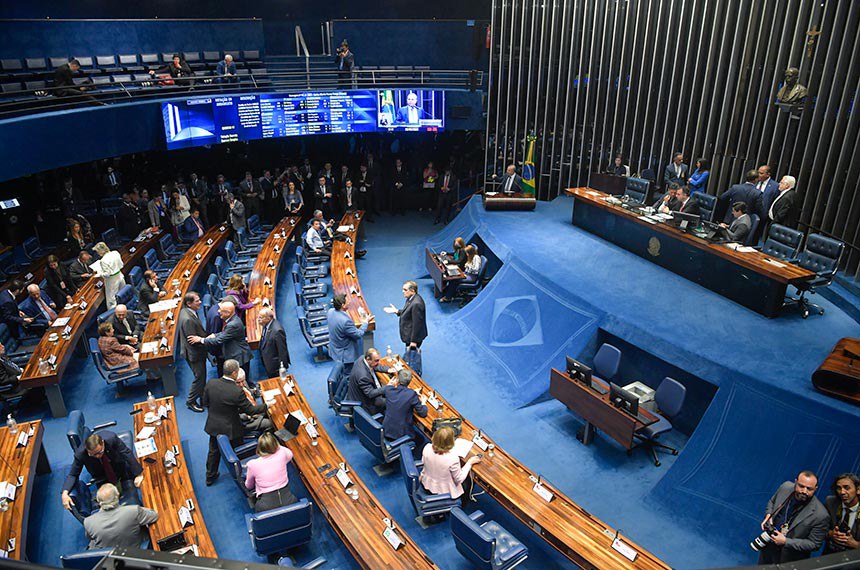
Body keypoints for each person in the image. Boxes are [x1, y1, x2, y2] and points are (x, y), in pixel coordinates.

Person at [202, 359, 268, 485]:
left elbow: (205, 402)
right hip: (231, 427)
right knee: (239, 451)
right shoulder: (236, 391)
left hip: (214, 424)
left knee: (213, 451)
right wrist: (266, 406)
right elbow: (250, 410)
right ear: (234, 373)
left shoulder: (211, 383)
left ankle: (210, 476)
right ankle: (245, 476)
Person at [61, 431, 144, 513]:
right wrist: (65, 493)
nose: (97, 456)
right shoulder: (81, 454)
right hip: (101, 474)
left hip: (118, 466)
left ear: (103, 443)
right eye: (93, 455)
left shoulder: (111, 438)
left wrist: (138, 474)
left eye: (100, 452)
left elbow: (126, 453)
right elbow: (73, 474)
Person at [758, 471, 829, 563]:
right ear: (796, 482)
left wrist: (785, 541)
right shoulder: (785, 487)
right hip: (768, 548)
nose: (804, 491)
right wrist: (769, 515)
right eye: (801, 486)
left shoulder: (821, 515)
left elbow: (814, 544)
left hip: (790, 559)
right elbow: (772, 501)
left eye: (809, 489)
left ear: (816, 488)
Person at [190, 301, 253, 381]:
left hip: (239, 356)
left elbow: (219, 340)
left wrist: (201, 340)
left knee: (241, 380)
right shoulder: (232, 320)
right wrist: (214, 335)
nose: (218, 311)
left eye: (221, 310)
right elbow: (224, 333)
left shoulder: (232, 324)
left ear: (228, 313)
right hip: (236, 352)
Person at [84, 483, 159, 549]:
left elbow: (90, 537)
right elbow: (154, 516)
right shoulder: (133, 511)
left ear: (98, 500)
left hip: (112, 559)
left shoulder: (88, 522)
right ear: (117, 495)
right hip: (136, 551)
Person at [419, 426, 481, 505]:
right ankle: (460, 505)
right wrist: (469, 463)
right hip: (443, 492)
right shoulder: (453, 459)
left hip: (426, 483)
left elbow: (423, 463)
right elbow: (459, 479)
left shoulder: (427, 447)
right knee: (469, 479)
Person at [244, 432, 298, 512]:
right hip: (289, 500)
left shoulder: (252, 464)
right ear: (276, 445)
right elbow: (290, 455)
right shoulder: (282, 453)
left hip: (265, 506)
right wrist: (278, 446)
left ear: (259, 447)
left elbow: (248, 486)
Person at [174, 292, 208, 413]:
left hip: (195, 352)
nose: (200, 302)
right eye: (197, 301)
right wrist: (207, 341)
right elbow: (193, 341)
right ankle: (191, 401)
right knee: (199, 377)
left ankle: (203, 398)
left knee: (202, 376)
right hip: (194, 354)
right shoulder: (188, 319)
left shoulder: (186, 311)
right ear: (189, 303)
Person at [327, 294, 370, 380]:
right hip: (345, 355)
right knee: (348, 376)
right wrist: (365, 322)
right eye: (347, 302)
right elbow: (358, 334)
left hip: (335, 349)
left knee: (340, 371)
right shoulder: (345, 321)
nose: (349, 303)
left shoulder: (330, 311)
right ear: (343, 305)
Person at [382, 369, 427, 444]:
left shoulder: (389, 390)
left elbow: (398, 393)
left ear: (398, 380)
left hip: (387, 429)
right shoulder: (411, 394)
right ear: (409, 382)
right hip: (401, 434)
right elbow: (423, 413)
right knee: (421, 440)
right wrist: (424, 402)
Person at [346, 348, 393, 415]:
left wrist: (388, 369)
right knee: (393, 402)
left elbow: (375, 366)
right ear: (368, 359)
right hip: (365, 402)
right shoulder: (363, 376)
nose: (379, 362)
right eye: (376, 360)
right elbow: (370, 393)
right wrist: (388, 387)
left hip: (366, 392)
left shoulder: (363, 358)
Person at [823, 473, 860, 554]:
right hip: (830, 555)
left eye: (847, 488)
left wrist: (856, 544)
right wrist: (831, 534)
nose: (842, 492)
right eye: (839, 488)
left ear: (858, 490)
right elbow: (819, 529)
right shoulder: (831, 503)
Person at [387, 280, 428, 352]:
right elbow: (408, 312)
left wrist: (413, 341)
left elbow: (417, 324)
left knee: (412, 357)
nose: (403, 291)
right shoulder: (411, 298)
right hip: (410, 334)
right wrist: (397, 311)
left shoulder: (416, 304)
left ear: (412, 291)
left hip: (414, 337)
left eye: (405, 290)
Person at [257, 307, 291, 378]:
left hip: (275, 366)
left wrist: (283, 367)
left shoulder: (277, 331)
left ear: (268, 318)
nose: (258, 320)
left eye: (261, 318)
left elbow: (282, 350)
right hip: (268, 361)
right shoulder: (266, 324)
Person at [92, 242, 125, 310]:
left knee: (112, 301)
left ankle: (113, 316)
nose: (98, 253)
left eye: (98, 252)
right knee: (123, 294)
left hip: (112, 281)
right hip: (120, 276)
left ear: (101, 251)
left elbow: (107, 274)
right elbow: (121, 265)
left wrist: (100, 273)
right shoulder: (115, 253)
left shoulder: (103, 260)